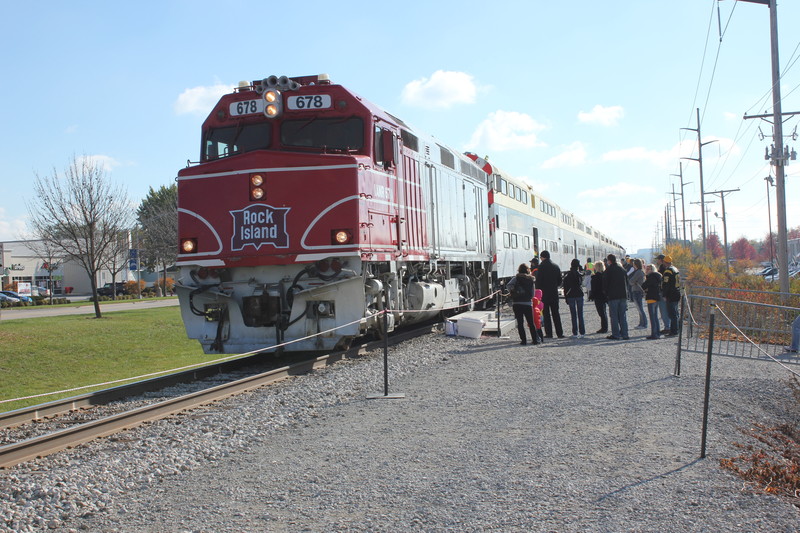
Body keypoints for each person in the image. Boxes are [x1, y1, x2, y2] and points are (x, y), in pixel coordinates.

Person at [534, 250, 564, 338]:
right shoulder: (555, 266)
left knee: (546, 314)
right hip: (554, 293)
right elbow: (560, 281)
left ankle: (549, 333)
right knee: (556, 314)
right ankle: (560, 333)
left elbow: (538, 281)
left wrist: (538, 290)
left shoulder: (541, 267)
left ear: (542, 257)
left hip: (544, 294)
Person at [506, 263, 537, 345]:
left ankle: (523, 341)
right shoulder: (531, 279)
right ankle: (535, 340)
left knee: (520, 323)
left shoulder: (516, 278)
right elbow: (533, 294)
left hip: (517, 303)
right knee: (531, 322)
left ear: (519, 270)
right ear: (528, 270)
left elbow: (508, 286)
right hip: (527, 303)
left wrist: (513, 291)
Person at [602, 253, 629, 340]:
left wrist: (605, 294)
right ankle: (625, 334)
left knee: (614, 316)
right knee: (623, 316)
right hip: (623, 295)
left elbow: (605, 284)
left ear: (609, 261)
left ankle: (616, 334)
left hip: (613, 296)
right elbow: (627, 282)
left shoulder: (608, 270)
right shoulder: (622, 269)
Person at [563, 259, 586, 337]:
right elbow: (581, 283)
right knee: (580, 314)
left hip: (570, 295)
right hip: (579, 295)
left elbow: (565, 287)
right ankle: (582, 332)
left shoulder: (567, 275)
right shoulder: (579, 274)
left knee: (573, 315)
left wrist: (566, 297)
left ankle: (575, 332)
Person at [661, 255, 681, 336]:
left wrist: (664, 295)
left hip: (671, 294)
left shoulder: (668, 271)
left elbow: (666, 284)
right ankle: (677, 329)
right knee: (676, 313)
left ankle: (674, 331)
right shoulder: (675, 269)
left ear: (664, 262)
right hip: (677, 292)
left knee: (672, 314)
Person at [642, 263, 663, 340]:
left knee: (652, 317)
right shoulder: (658, 276)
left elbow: (644, 286)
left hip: (651, 297)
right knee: (655, 317)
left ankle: (654, 334)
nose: (646, 270)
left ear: (651, 270)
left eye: (648, 269)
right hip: (656, 297)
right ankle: (657, 332)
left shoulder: (651, 277)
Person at [589, 261, 608, 333]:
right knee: (604, 312)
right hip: (604, 296)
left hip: (598, 297)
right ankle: (605, 327)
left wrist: (591, 296)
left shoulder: (595, 277)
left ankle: (604, 328)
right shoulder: (605, 275)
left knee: (601, 313)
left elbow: (593, 288)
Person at [629, 258, 647, 329]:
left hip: (637, 291)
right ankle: (641, 323)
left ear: (635, 265)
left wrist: (633, 282)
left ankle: (644, 324)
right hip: (638, 291)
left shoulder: (638, 272)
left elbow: (631, 281)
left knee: (640, 309)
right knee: (640, 308)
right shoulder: (641, 271)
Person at [655, 254, 671, 333]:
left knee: (664, 310)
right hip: (669, 293)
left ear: (661, 260)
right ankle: (670, 326)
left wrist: (664, 294)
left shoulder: (662, 269)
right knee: (669, 310)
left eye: (658, 259)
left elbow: (664, 283)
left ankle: (667, 327)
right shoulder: (671, 268)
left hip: (663, 292)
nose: (657, 261)